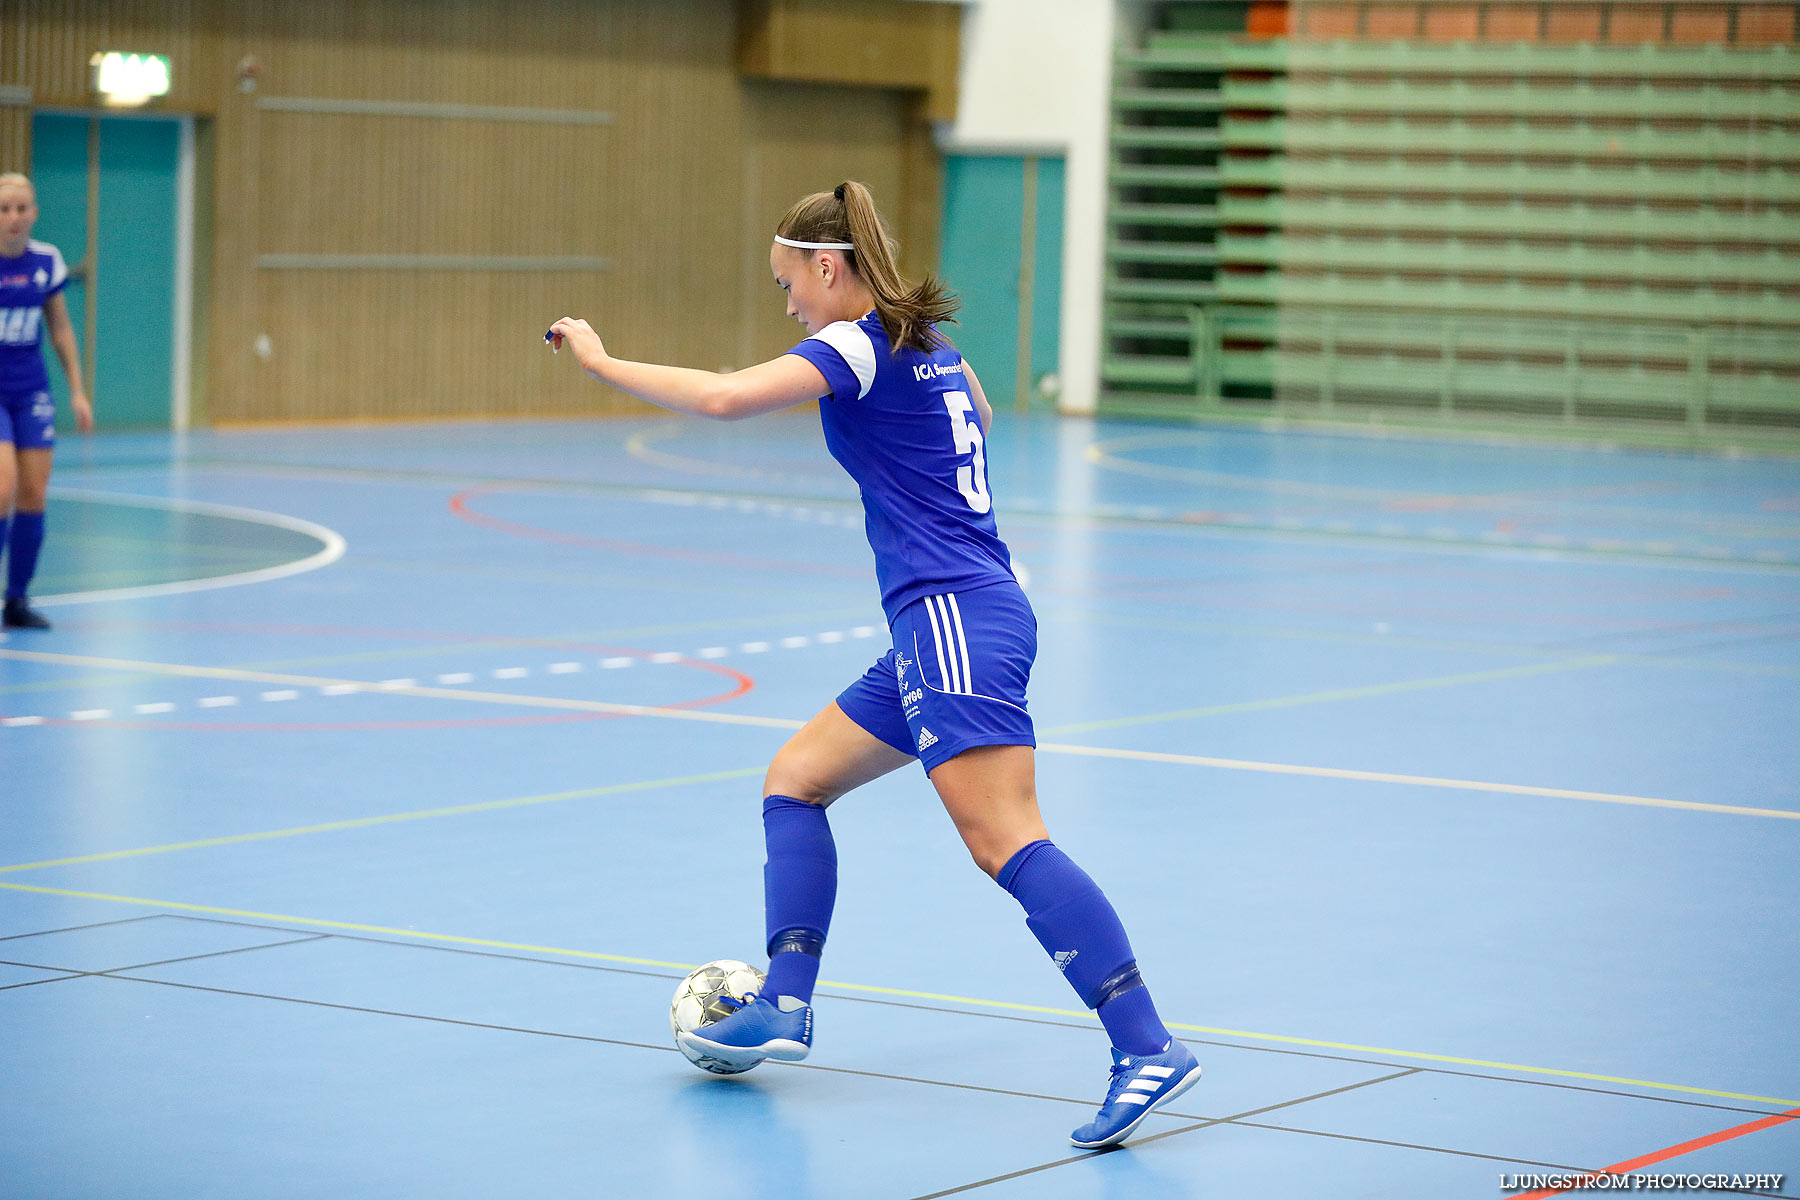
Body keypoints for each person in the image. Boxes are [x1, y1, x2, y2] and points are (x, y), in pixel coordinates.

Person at [546, 180, 1200, 1148]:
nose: (790, 308)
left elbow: (727, 398)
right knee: (795, 780)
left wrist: (600, 361)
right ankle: (789, 1002)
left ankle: (1144, 1043)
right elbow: (973, 408)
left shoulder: (855, 341)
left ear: (828, 266)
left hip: (952, 622)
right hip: (963, 612)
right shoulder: (931, 343)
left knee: (1004, 839)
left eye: (790, 286)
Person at [0, 172, 89, 630]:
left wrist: (76, 389)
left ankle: (16, 600)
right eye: (4, 209)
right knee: (2, 487)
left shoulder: (46, 261)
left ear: (33, 213)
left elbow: (60, 328)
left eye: (21, 209)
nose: (13, 218)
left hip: (29, 388)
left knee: (34, 492)